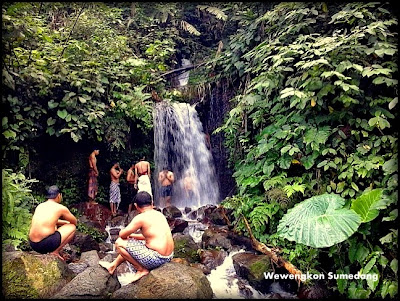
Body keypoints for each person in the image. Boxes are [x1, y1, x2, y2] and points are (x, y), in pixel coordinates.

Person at [99, 191, 174, 283]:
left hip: (156, 259)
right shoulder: (160, 215)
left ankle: (141, 270)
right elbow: (151, 236)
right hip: (168, 257)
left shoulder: (141, 218)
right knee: (130, 244)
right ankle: (113, 266)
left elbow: (122, 235)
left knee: (119, 243)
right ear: (152, 203)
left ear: (136, 205)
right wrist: (132, 236)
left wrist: (126, 234)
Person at [28, 185, 77, 261]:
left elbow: (47, 221)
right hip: (44, 244)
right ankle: (55, 252)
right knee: (72, 227)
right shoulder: (60, 208)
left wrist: (63, 222)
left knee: (54, 226)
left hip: (33, 244)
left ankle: (52, 250)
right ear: (59, 196)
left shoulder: (40, 206)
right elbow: (74, 222)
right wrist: (66, 223)